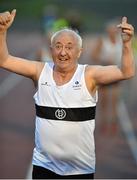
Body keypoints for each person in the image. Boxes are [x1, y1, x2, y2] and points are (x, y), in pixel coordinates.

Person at [0, 9, 135, 179]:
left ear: (79, 52)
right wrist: (2, 31)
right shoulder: (40, 70)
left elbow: (126, 72)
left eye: (69, 47)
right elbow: (4, 60)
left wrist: (127, 43)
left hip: (79, 170)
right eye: (58, 46)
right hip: (43, 166)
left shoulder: (89, 75)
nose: (63, 52)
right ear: (51, 49)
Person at [91, 21, 123, 135]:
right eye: (110, 30)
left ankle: (113, 123)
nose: (112, 32)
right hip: (104, 72)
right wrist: (104, 60)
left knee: (114, 100)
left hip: (116, 73)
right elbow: (93, 55)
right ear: (107, 31)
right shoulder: (102, 41)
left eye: (114, 30)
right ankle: (104, 123)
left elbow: (127, 54)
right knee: (104, 101)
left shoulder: (121, 41)